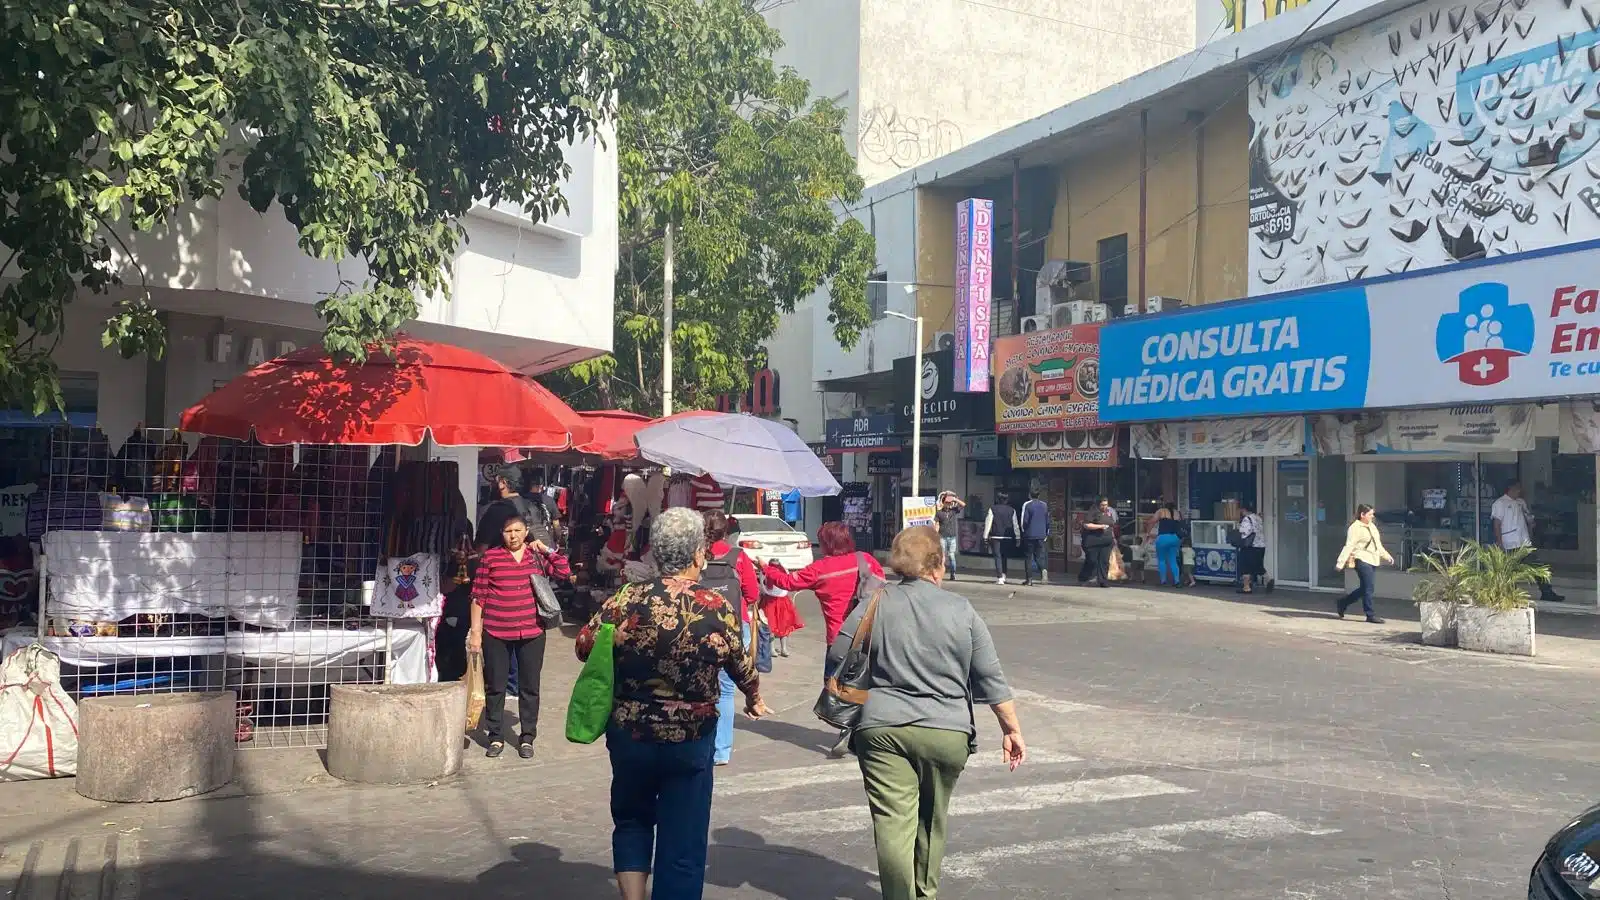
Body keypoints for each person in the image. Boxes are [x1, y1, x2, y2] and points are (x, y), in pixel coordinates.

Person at [576, 508, 772, 900]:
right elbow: (741, 665)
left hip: (630, 733)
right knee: (682, 838)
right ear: (698, 553)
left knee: (632, 819)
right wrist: (754, 697)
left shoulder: (627, 598)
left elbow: (584, 645)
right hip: (690, 739)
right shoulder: (714, 606)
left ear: (657, 554)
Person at [829, 526, 1026, 900]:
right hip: (946, 731)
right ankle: (925, 892)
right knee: (931, 819)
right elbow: (992, 679)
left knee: (892, 823)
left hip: (881, 727)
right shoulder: (961, 610)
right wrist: (1011, 729)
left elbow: (839, 653)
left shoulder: (875, 602)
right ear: (938, 563)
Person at [468, 514, 571, 759]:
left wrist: (546, 549)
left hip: (532, 631)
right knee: (496, 686)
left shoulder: (536, 556)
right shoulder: (491, 558)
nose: (512, 536)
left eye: (517, 530)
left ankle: (527, 737)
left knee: (530, 687)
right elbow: (478, 596)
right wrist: (476, 633)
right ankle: (495, 735)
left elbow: (564, 572)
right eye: (507, 531)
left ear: (526, 532)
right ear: (501, 534)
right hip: (496, 631)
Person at [761, 521, 884, 649]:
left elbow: (787, 582)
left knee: (835, 669)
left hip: (840, 639)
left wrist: (766, 568)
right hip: (870, 636)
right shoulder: (866, 560)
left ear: (826, 544)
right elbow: (882, 589)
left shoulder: (819, 569)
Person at [702, 510, 761, 767]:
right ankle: (721, 751)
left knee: (702, 689)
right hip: (735, 628)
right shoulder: (739, 556)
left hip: (701, 628)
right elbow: (753, 593)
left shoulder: (697, 556)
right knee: (726, 691)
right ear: (727, 531)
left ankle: (702, 744)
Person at [1492, 480, 1564, 602]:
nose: (1520, 491)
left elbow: (1528, 518)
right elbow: (1497, 524)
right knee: (1510, 572)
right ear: (1510, 489)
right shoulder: (1500, 503)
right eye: (1517, 488)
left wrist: (1531, 526)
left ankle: (1547, 593)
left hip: (1524, 543)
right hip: (1510, 543)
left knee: (1538, 568)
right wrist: (1500, 543)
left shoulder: (1521, 502)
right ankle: (1509, 596)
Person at [1334, 504, 1393, 623]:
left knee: (1365, 588)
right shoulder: (1355, 528)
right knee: (1369, 588)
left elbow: (1378, 545)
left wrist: (1387, 556)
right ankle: (1370, 614)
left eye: (1372, 514)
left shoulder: (1372, 527)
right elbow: (1349, 545)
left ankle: (1343, 602)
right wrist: (1340, 563)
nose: (1372, 516)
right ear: (1362, 514)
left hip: (1373, 559)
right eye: (1370, 514)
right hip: (1361, 559)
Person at [1078, 497, 1116, 587]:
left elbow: (1111, 526)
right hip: (1093, 541)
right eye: (1102, 505)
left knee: (1104, 561)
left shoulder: (1109, 512)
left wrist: (1114, 538)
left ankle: (1103, 581)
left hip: (1106, 541)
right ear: (1098, 504)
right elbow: (1086, 525)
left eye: (1106, 504)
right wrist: (1101, 526)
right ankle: (1083, 577)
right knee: (1092, 561)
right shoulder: (1092, 512)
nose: (1104, 506)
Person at [982, 493, 1020, 585]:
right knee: (1004, 557)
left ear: (997, 500)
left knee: (997, 557)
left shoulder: (993, 509)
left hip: (996, 536)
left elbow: (988, 523)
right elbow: (1015, 525)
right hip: (1007, 537)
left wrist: (985, 536)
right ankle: (1004, 575)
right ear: (1007, 500)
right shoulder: (1012, 510)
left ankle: (999, 578)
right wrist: (1018, 537)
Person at [1019, 488, 1050, 586]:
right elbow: (1047, 521)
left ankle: (1029, 580)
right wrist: (1046, 533)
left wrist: (1024, 532)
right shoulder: (1044, 505)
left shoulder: (1027, 505)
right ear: (1039, 495)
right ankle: (1043, 570)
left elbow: (1024, 521)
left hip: (1030, 534)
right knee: (1039, 555)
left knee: (1028, 557)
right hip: (1041, 534)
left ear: (1029, 495)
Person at [1236, 502, 1268, 594]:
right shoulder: (1258, 518)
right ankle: (1268, 579)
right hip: (1261, 545)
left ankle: (1246, 587)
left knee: (1245, 566)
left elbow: (1245, 532)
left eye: (1241, 510)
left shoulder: (1246, 519)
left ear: (1244, 510)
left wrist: (1239, 528)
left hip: (1250, 546)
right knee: (1258, 565)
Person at [933, 492, 966, 581]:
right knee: (942, 556)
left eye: (949, 503)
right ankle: (941, 573)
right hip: (942, 536)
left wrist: (955, 499)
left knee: (951, 556)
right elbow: (936, 524)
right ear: (943, 503)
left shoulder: (953, 511)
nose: (948, 504)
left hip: (952, 537)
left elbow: (963, 504)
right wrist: (935, 535)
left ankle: (953, 573)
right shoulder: (939, 513)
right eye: (946, 502)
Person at [1154, 503, 1185, 586]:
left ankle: (1163, 581)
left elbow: (1152, 521)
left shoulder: (1161, 511)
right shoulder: (1178, 513)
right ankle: (1177, 581)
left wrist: (1147, 533)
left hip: (1163, 538)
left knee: (1161, 560)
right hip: (1175, 538)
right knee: (1173, 561)